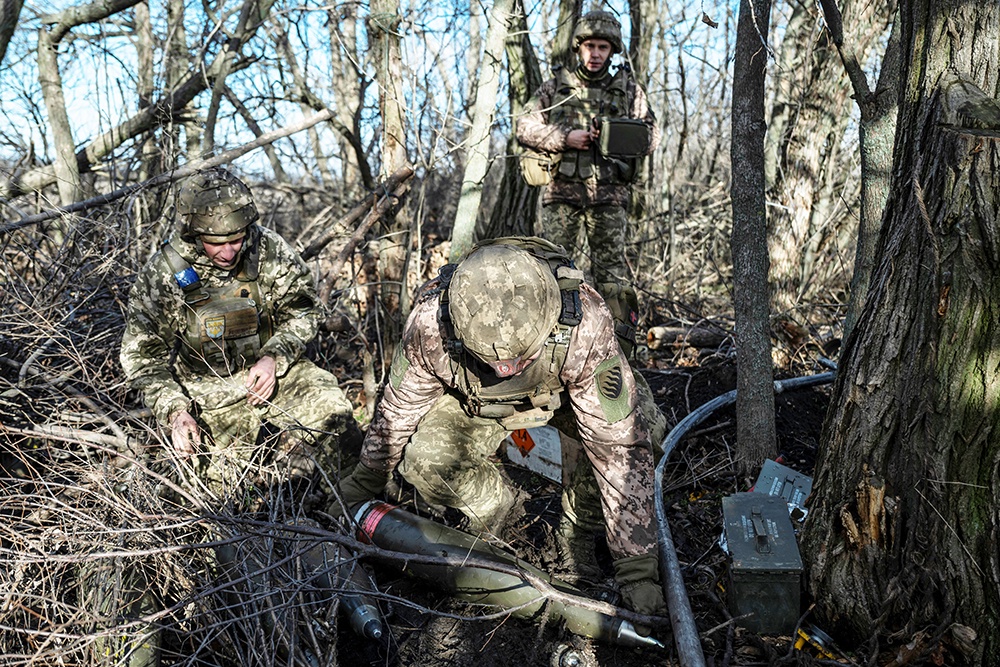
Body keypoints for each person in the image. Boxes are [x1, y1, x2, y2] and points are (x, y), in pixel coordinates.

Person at [330, 237, 667, 618]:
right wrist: (363, 482)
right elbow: (398, 410)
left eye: (520, 357)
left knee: (647, 433)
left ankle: (580, 529)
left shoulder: (584, 322)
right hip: (473, 404)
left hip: (562, 396)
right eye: (493, 359)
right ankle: (498, 514)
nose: (506, 368)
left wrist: (637, 571)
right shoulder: (429, 325)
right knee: (425, 461)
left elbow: (618, 447)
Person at [120, 166, 356, 495]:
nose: (229, 252)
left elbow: (304, 308)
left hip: (274, 375)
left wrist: (275, 356)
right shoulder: (164, 274)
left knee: (336, 421)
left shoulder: (267, 249)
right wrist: (175, 410)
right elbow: (143, 357)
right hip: (205, 396)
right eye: (217, 243)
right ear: (193, 233)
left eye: (236, 239)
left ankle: (355, 513)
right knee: (214, 509)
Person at [516, 10, 660, 356]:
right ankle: (547, 348)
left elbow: (651, 136)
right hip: (562, 193)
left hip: (609, 195)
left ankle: (620, 351)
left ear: (613, 50)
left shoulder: (627, 89)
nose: (596, 54)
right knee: (552, 272)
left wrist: (612, 136)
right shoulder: (556, 86)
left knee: (611, 277)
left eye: (603, 47)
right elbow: (524, 125)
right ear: (579, 47)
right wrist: (566, 137)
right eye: (590, 46)